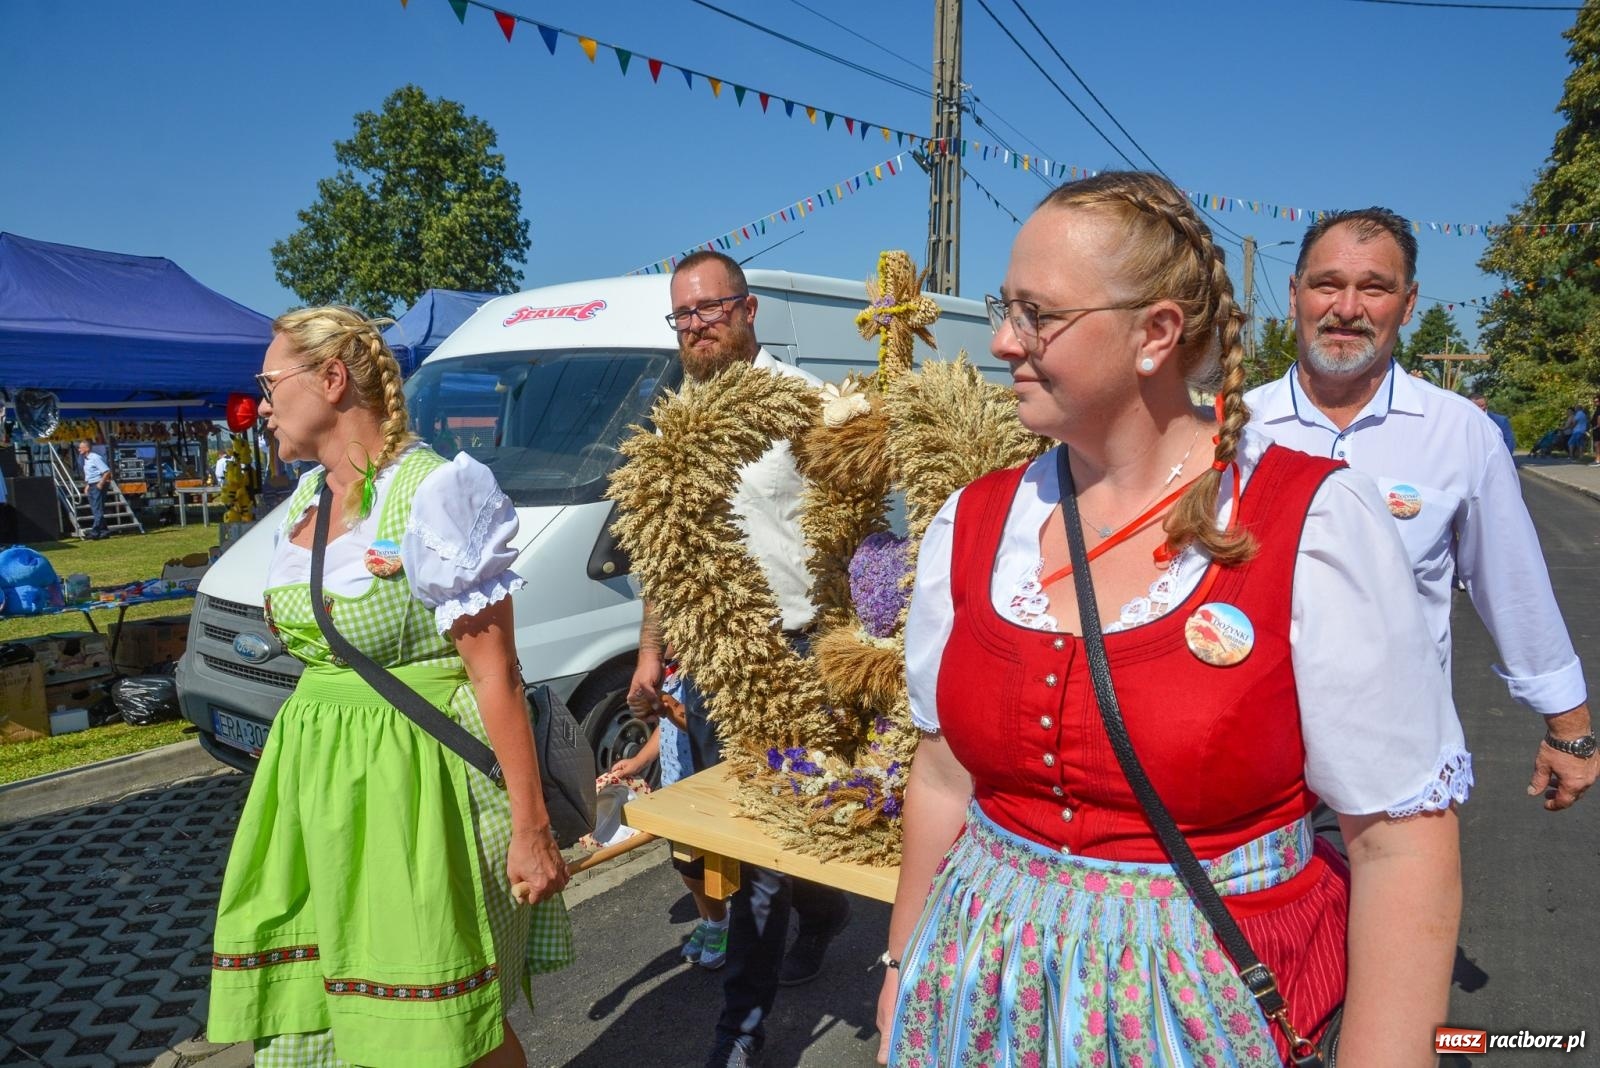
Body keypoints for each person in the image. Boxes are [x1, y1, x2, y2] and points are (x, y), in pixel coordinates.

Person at [878, 172, 1466, 1067]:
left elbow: (1399, 849)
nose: (1002, 340)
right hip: (977, 992)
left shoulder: (1311, 523)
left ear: (1155, 334)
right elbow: (942, 777)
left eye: (1038, 314)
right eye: (1008, 308)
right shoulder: (977, 522)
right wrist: (900, 972)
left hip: (1199, 1011)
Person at [208, 306, 573, 1067]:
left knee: (452, 1029)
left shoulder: (437, 491)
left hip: (418, 789)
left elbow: (494, 669)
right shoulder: (305, 501)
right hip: (317, 788)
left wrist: (533, 827)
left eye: (270, 382)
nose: (261, 403)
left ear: (333, 379)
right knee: (331, 1013)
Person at [1247, 208, 1597, 811]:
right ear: (1295, 294)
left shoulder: (1460, 433)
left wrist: (1571, 727)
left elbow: (1511, 584)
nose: (1347, 308)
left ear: (1407, 305)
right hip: (1251, 766)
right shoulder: (1234, 429)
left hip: (1397, 768)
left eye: (1374, 288)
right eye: (1327, 284)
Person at [626, 250, 851, 1067]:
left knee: (776, 837)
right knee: (750, 839)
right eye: (682, 315)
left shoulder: (806, 403)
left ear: (748, 310)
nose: (695, 327)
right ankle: (820, 911)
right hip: (712, 660)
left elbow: (853, 532)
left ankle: (740, 1035)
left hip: (794, 654)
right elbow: (663, 547)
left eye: (709, 310)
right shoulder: (674, 417)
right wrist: (653, 651)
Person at [610, 668, 730, 970]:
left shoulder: (705, 675)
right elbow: (666, 729)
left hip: (702, 790)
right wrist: (639, 760)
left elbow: (705, 727)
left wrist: (667, 706)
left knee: (701, 869)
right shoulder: (670, 675)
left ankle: (720, 922)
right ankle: (711, 918)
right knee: (685, 869)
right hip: (675, 787)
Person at [78, 440, 111, 539]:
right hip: (92, 484)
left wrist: (100, 483)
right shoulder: (86, 459)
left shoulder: (95, 458)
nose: (79, 449)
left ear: (87, 448)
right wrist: (88, 485)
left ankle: (95, 532)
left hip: (98, 484)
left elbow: (106, 471)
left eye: (81, 447)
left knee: (97, 508)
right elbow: (91, 474)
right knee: (95, 509)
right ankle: (104, 531)